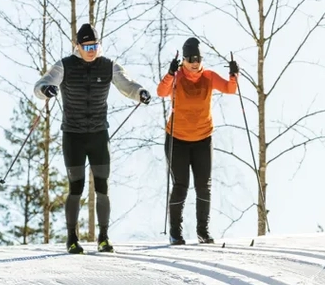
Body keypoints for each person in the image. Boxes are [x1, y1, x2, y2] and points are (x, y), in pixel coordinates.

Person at [34, 23, 151, 254]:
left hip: (98, 134)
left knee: (102, 187)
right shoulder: (65, 66)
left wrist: (140, 93)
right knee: (76, 186)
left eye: (95, 45)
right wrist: (46, 90)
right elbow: (41, 85)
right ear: (77, 45)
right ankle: (72, 239)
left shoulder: (108, 66)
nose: (91, 50)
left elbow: (127, 85)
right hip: (73, 136)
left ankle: (104, 238)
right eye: (87, 46)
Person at [156, 37, 238, 245]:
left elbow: (230, 89)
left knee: (203, 185)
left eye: (198, 58)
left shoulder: (209, 77)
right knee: (181, 185)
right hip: (177, 139)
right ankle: (176, 232)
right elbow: (161, 92)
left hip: (203, 138)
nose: (195, 62)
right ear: (183, 60)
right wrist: (169, 74)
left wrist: (234, 74)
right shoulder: (176, 77)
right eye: (191, 58)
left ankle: (203, 230)